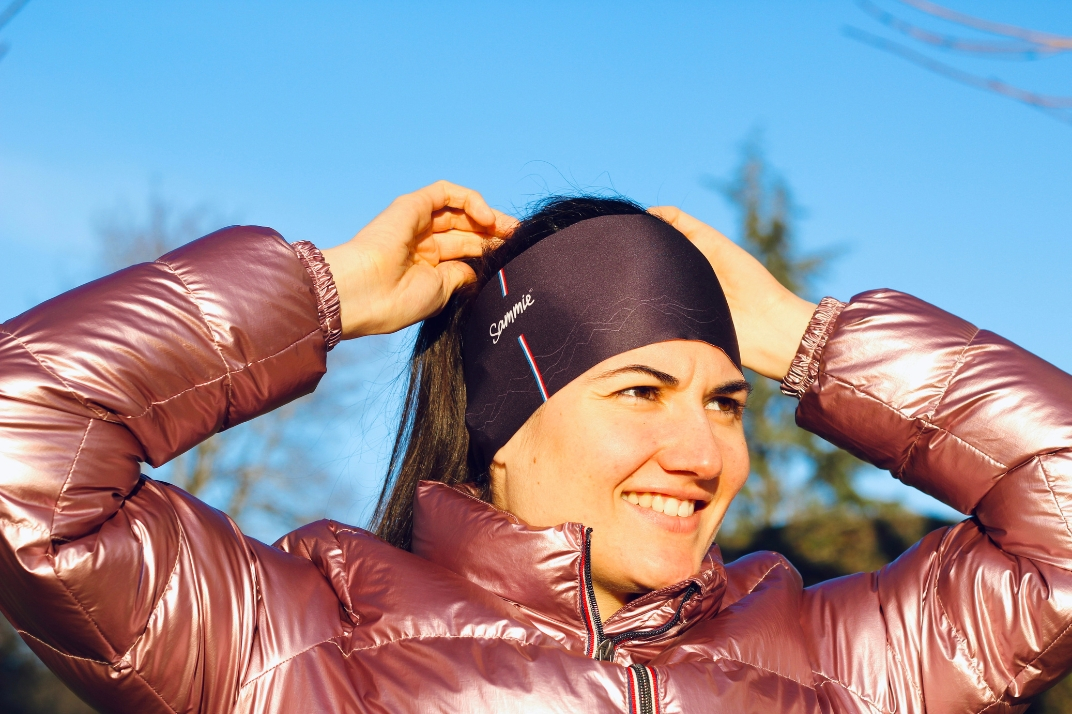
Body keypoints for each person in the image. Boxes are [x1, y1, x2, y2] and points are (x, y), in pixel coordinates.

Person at [0, 181, 1069, 713]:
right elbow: (24, 439)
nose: (701, 452)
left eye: (728, 401)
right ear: (503, 423)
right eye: (642, 389)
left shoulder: (840, 664)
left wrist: (809, 339)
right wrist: (321, 293)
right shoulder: (287, 647)